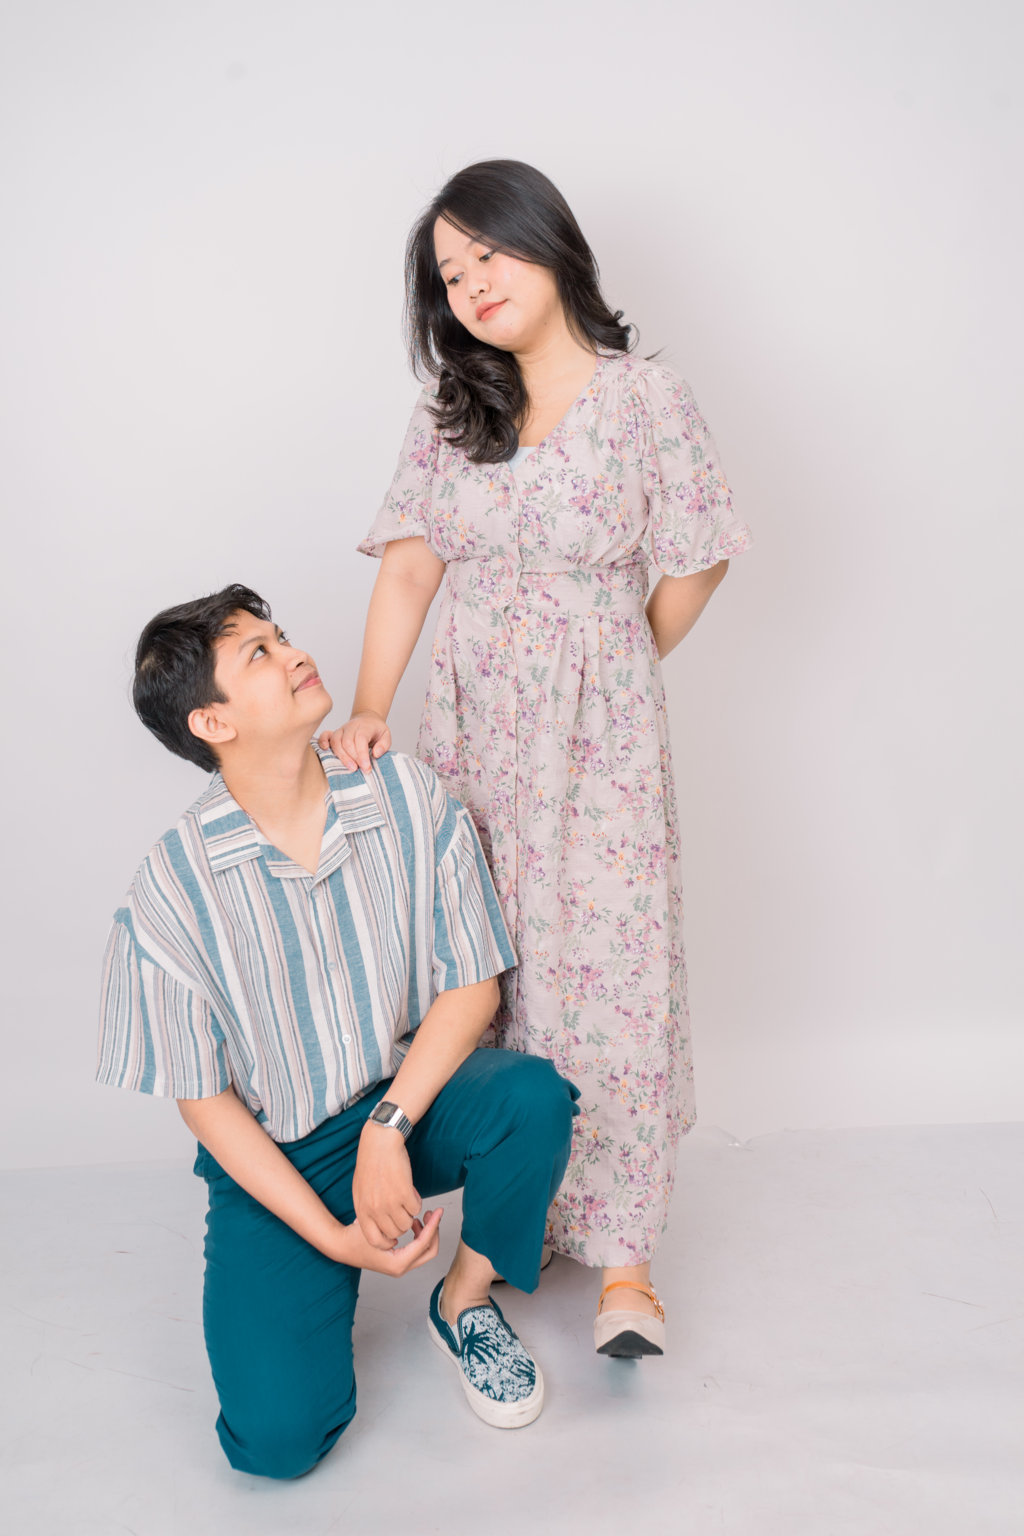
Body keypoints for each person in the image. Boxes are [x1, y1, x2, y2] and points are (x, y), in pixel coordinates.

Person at [323, 159, 752, 1358]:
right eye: (448, 275)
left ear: (549, 243)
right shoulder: (452, 409)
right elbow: (412, 563)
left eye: (487, 253)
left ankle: (627, 1262)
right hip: (471, 731)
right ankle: (528, 1211)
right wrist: (369, 706)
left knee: (613, 973)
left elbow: (700, 552)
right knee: (491, 967)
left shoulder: (644, 398)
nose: (470, 284)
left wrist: (618, 659)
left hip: (598, 737)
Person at [96, 583, 578, 1478]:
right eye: (259, 654)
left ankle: (465, 1301)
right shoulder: (172, 889)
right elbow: (204, 1103)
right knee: (277, 1444)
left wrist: (389, 1129)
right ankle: (322, 1273)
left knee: (533, 1099)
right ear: (212, 722)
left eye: (281, 635)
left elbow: (473, 985)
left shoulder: (403, 792)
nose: (294, 653)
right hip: (284, 1151)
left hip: (410, 1102)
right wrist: (334, 1238)